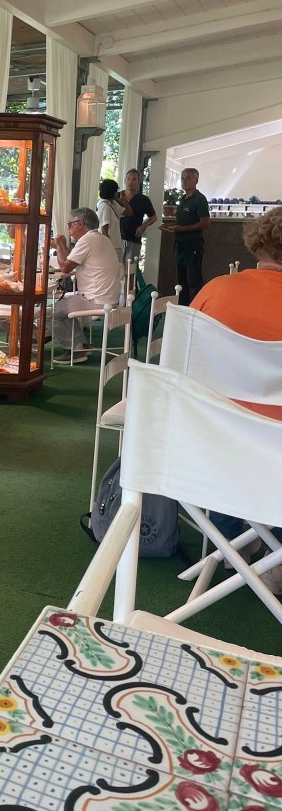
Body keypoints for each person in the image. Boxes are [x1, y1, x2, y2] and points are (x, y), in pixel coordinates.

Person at [189, 207, 282, 591]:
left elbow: (181, 365)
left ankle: (230, 545)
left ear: (256, 243)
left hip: (211, 444)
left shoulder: (215, 290)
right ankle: (276, 559)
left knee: (227, 426)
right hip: (276, 450)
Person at [50, 208, 121, 364]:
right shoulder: (100, 238)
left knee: (53, 312)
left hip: (96, 299)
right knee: (64, 306)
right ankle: (80, 345)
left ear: (80, 224)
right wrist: (61, 245)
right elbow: (71, 259)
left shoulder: (87, 240)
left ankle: (74, 350)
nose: (69, 229)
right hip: (107, 297)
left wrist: (59, 245)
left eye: (70, 224)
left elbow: (65, 267)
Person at [160, 167, 210, 305]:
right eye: (182, 178)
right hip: (180, 246)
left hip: (192, 246)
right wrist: (174, 227)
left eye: (188, 178)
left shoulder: (199, 199)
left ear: (196, 180)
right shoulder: (183, 199)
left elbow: (205, 223)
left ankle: (195, 308)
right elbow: (183, 221)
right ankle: (182, 308)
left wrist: (182, 229)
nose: (184, 181)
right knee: (181, 282)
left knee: (194, 281)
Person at [120, 168, 157, 267]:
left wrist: (144, 225)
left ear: (138, 182)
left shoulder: (143, 200)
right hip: (117, 238)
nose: (130, 182)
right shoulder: (118, 196)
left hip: (134, 238)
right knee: (115, 268)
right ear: (125, 180)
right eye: (128, 179)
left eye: (134, 179)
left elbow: (153, 217)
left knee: (130, 269)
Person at [96, 178, 130, 264]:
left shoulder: (112, 204)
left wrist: (123, 201)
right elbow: (104, 231)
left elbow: (129, 213)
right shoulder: (104, 206)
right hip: (110, 247)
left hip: (115, 245)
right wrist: (108, 249)